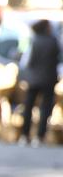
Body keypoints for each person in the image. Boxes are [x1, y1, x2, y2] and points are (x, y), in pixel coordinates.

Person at [17, 17, 60, 147]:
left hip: (33, 79)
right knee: (45, 108)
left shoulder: (33, 41)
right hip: (48, 79)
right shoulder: (53, 41)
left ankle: (25, 135)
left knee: (29, 107)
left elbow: (26, 61)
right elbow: (58, 59)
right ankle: (39, 136)